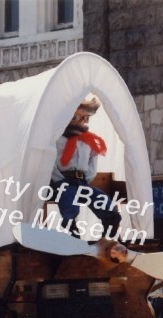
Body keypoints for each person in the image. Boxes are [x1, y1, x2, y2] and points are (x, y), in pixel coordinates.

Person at [51, 97, 121, 239]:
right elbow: (50, 160)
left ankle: (107, 238)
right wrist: (59, 179)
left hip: (81, 182)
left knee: (104, 203)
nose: (81, 120)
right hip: (64, 181)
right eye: (77, 116)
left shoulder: (88, 140)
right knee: (69, 204)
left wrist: (86, 178)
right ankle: (73, 234)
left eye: (84, 117)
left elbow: (92, 161)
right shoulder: (57, 138)